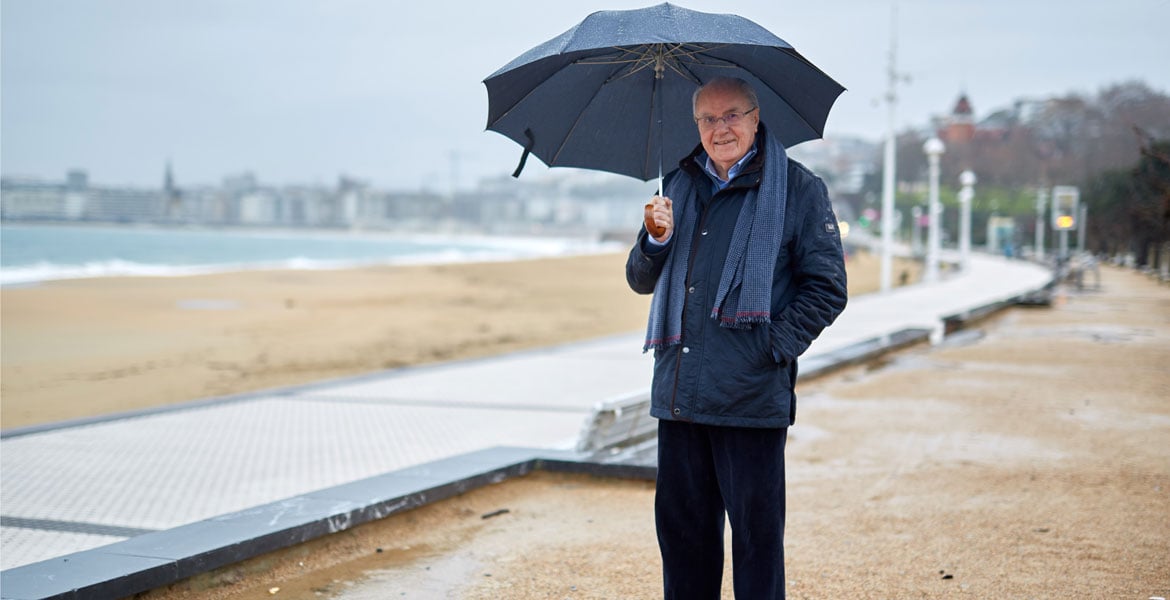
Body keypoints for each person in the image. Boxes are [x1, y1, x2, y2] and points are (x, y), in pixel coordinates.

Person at [626, 77, 848, 599]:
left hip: (750, 397)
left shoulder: (797, 188)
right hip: (680, 396)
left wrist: (770, 347)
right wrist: (655, 240)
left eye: (731, 115)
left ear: (755, 116)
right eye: (707, 118)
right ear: (696, 125)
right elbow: (640, 279)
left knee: (757, 543)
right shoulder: (676, 187)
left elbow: (827, 288)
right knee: (683, 541)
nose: (719, 128)